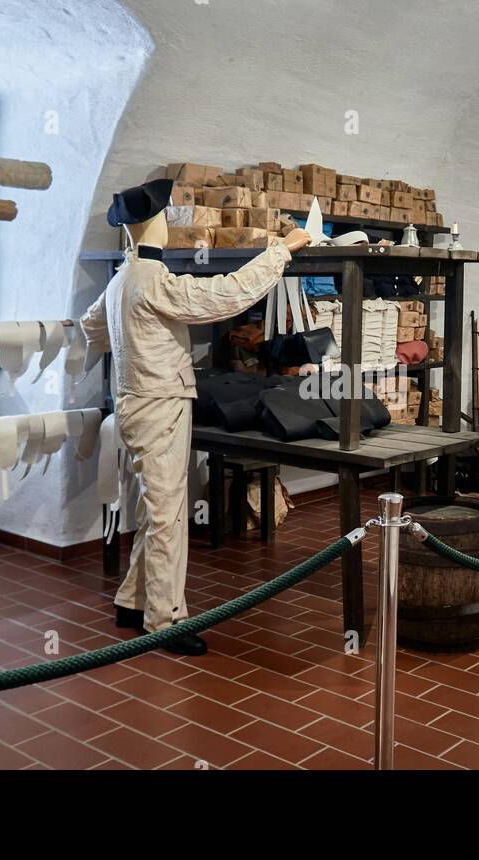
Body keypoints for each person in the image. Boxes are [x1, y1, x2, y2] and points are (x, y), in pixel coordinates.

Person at [81, 178, 312, 655]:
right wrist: (281, 251)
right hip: (159, 403)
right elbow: (222, 297)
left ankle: (132, 600)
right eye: (166, 218)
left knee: (152, 509)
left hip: (132, 401)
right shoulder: (151, 280)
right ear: (151, 226)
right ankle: (164, 620)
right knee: (167, 516)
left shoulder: (121, 279)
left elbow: (91, 328)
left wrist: (129, 347)